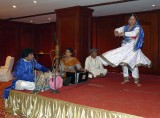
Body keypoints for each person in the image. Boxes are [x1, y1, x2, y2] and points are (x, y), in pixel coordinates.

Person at [99, 14, 151, 86]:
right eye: (130, 19)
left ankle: (136, 80)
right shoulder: (125, 27)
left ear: (136, 20)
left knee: (134, 64)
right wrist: (116, 32)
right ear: (128, 20)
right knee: (124, 63)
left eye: (133, 19)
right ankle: (126, 78)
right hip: (125, 46)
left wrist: (124, 33)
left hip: (133, 48)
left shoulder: (137, 27)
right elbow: (117, 29)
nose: (132, 21)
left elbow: (134, 33)